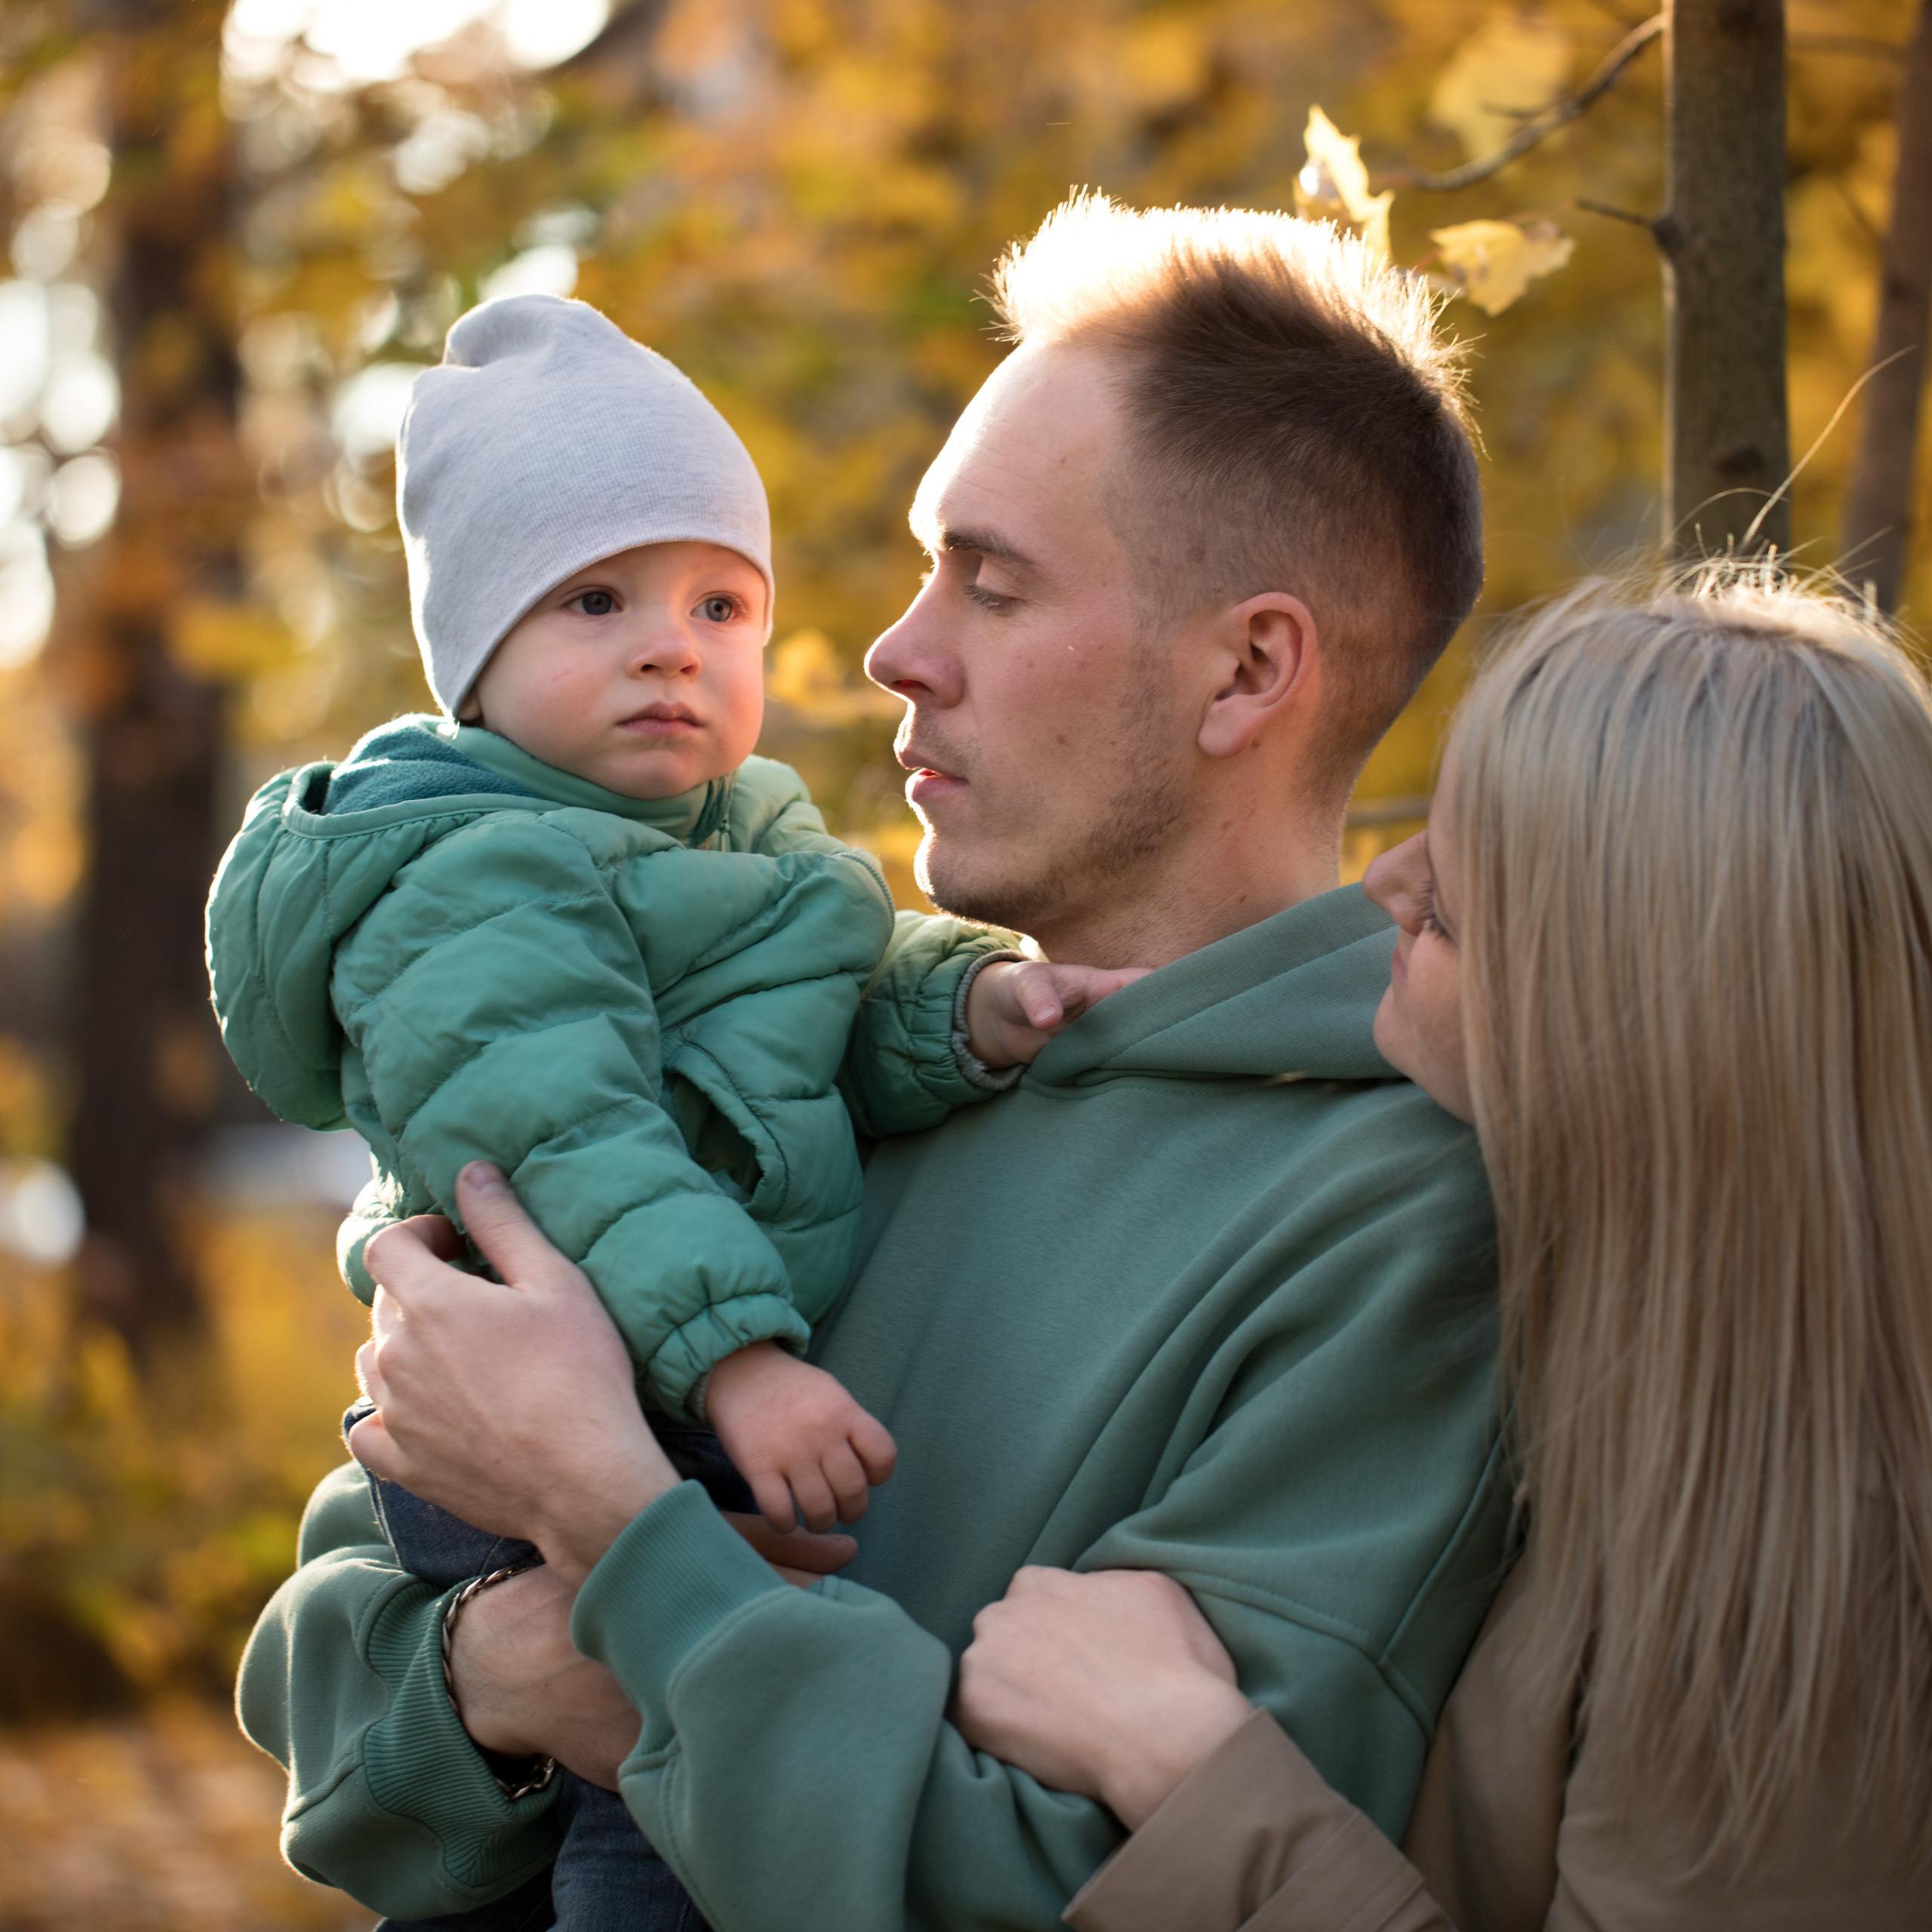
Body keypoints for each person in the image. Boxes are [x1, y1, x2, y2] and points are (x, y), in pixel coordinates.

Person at [238, 194, 1509, 1932]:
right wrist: (488, 1672)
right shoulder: (808, 1028)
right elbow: (319, 1679)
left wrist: (620, 1537)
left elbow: (1110, 1885)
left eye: (987, 582)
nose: (889, 651)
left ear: (1247, 669)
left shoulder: (1402, 1223)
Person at [205, 293, 1134, 1932]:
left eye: (721, 602)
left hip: (654, 1383)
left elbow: (821, 990)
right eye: (595, 599)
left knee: (664, 1755)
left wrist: (964, 1005)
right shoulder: (467, 879)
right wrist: (740, 1363)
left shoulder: (736, 845)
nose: (670, 643)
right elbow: (569, 1146)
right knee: (662, 1799)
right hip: (577, 1381)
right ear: (475, 665)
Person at [952, 573, 1932, 1930]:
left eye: (1459, 903)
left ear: (1630, 1022)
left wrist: (1182, 1763)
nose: (1383, 882)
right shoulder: (1623, 1328)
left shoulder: (1833, 1582)